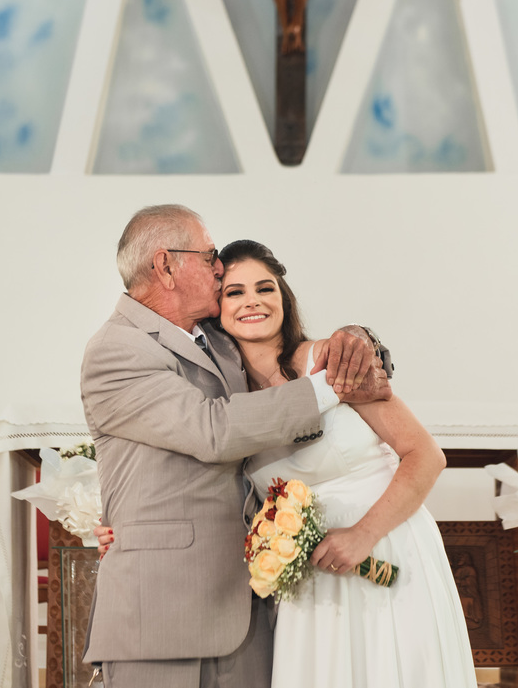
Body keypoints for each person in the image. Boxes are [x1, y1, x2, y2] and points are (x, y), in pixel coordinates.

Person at [80, 205, 390, 688]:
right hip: (160, 616)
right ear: (165, 266)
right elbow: (214, 430)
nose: (219, 266)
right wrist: (331, 385)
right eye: (208, 257)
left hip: (247, 611)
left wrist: (358, 341)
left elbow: (282, 346)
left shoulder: (220, 340)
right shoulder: (116, 349)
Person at [218, 239, 478, 687]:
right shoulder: (226, 400)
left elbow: (425, 455)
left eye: (265, 288)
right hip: (312, 574)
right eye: (234, 292)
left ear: (284, 298)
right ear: (217, 308)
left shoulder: (331, 360)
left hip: (387, 545)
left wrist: (362, 535)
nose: (252, 301)